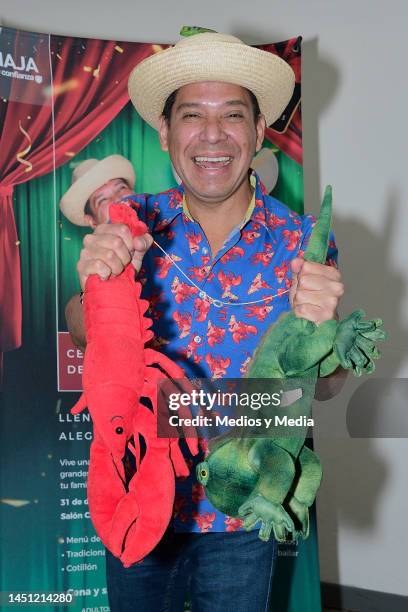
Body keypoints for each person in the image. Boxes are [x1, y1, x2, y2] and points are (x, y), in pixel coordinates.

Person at [65, 32, 346, 612]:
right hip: (141, 501)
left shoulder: (303, 241)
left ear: (259, 129)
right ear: (165, 132)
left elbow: (330, 383)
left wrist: (326, 334)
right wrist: (96, 286)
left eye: (232, 116)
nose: (212, 136)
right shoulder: (131, 221)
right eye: (192, 115)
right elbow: (79, 325)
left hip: (243, 512)